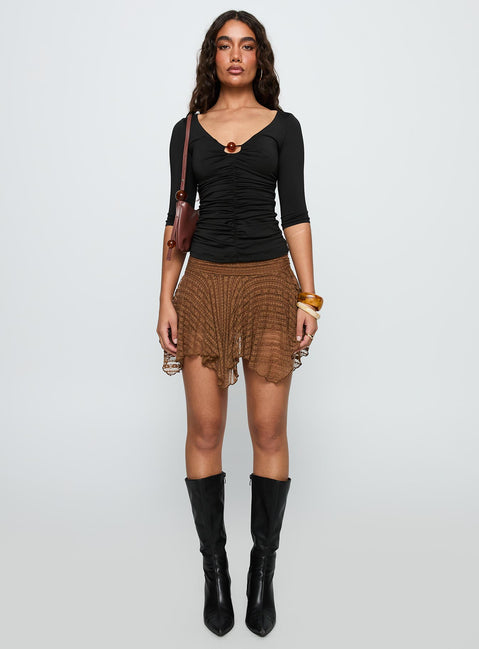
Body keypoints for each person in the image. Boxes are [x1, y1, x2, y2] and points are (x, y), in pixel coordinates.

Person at [156, 9, 322, 638]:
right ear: (212, 57)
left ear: (259, 58)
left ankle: (261, 574)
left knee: (267, 429)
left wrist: (309, 298)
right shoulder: (187, 131)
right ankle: (216, 572)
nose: (235, 55)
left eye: (246, 46)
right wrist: (165, 300)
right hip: (202, 286)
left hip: (269, 285)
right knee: (205, 430)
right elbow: (175, 220)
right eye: (224, 45)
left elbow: (296, 214)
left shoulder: (284, 127)